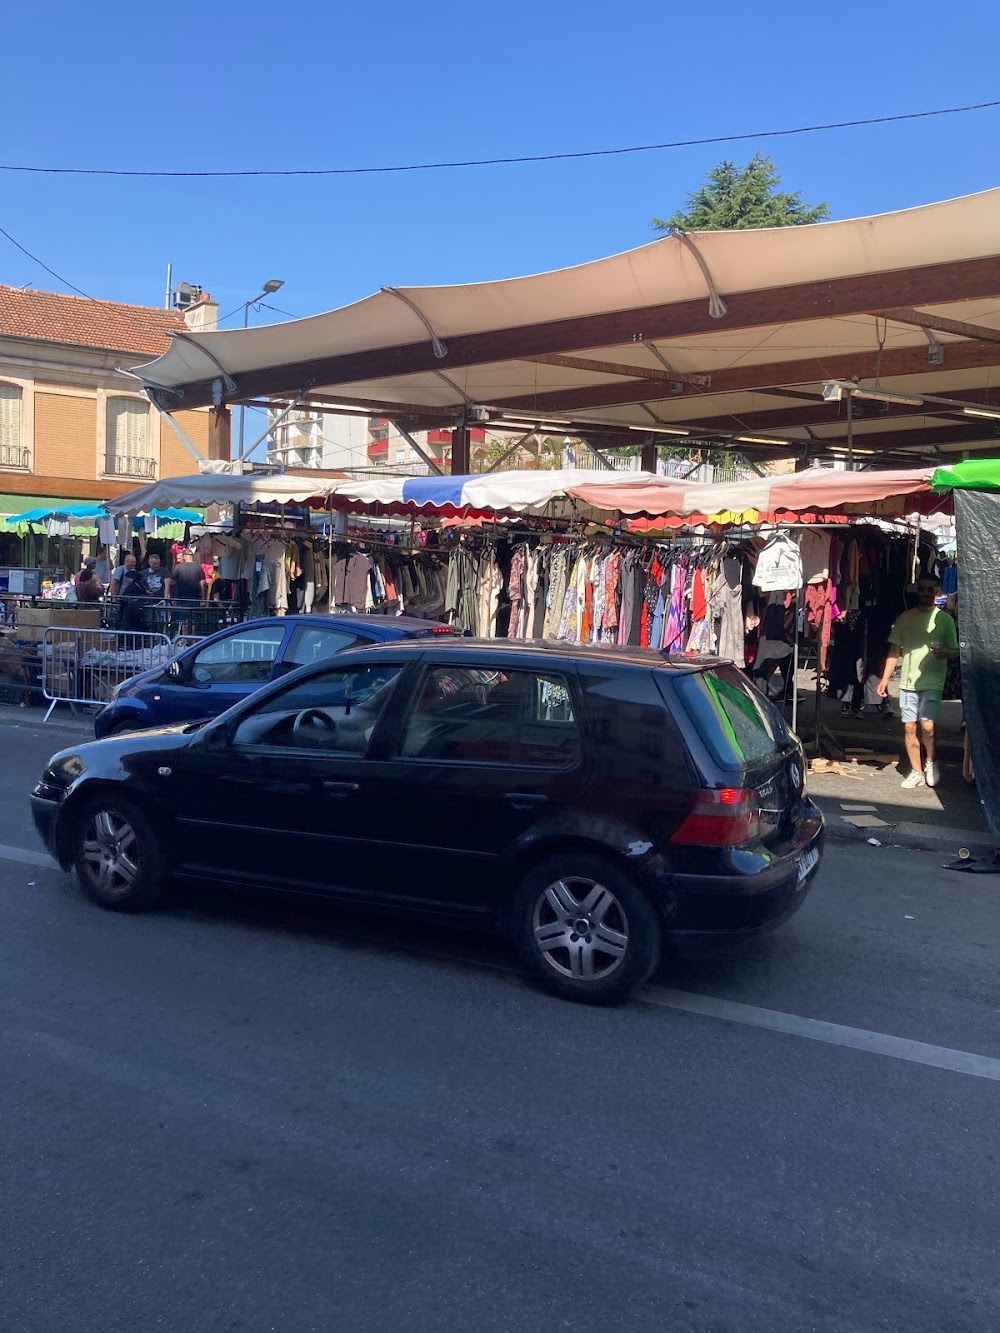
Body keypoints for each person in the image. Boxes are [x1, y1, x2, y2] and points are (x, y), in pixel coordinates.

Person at [877, 574, 959, 789]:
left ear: (937, 592)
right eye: (921, 589)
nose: (924, 594)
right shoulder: (905, 618)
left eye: (929, 590)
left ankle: (931, 762)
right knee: (910, 728)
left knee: (927, 725)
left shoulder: (944, 620)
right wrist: (884, 679)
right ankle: (916, 770)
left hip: (933, 680)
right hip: (907, 681)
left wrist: (943, 653)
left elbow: (956, 651)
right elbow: (894, 650)